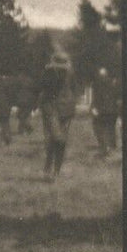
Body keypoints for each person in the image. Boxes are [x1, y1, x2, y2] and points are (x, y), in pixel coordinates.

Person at [38, 50, 77, 180]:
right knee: (56, 139)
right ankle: (51, 170)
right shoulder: (51, 73)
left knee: (58, 140)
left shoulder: (67, 74)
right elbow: (43, 89)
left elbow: (74, 90)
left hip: (61, 110)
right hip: (56, 109)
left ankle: (53, 170)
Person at [90, 65, 120, 157]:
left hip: (103, 111)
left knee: (99, 128)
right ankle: (110, 146)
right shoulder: (113, 84)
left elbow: (96, 99)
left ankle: (104, 149)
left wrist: (93, 108)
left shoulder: (98, 85)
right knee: (110, 128)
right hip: (112, 111)